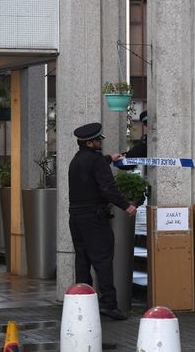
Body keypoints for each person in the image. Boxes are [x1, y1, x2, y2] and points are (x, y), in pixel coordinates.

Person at [68, 122, 137, 320]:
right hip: (95, 218)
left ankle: (82, 302)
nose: (101, 142)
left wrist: (109, 158)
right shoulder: (96, 161)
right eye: (98, 140)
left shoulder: (76, 160)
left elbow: (91, 168)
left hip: (76, 217)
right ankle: (108, 304)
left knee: (82, 260)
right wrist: (127, 206)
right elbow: (108, 189)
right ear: (90, 143)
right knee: (103, 261)